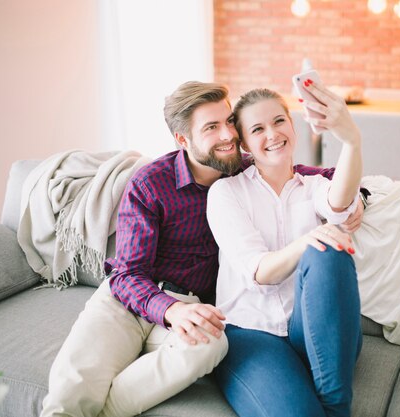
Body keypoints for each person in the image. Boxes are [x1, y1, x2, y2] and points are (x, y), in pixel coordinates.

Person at [40, 81, 362, 417]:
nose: (228, 135)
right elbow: (127, 273)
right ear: (183, 140)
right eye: (211, 128)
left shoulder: (242, 165)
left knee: (209, 345)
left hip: (193, 307)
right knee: (72, 389)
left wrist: (358, 196)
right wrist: (170, 309)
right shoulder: (151, 183)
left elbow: (298, 172)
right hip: (129, 303)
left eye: (229, 122)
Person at [206, 83, 364, 417]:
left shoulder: (315, 186)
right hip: (251, 334)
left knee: (330, 249)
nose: (272, 134)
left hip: (314, 329)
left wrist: (351, 139)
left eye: (279, 121)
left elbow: (340, 203)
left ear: (293, 125)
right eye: (257, 129)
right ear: (244, 142)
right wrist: (305, 241)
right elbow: (258, 272)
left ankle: (338, 408)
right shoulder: (226, 194)